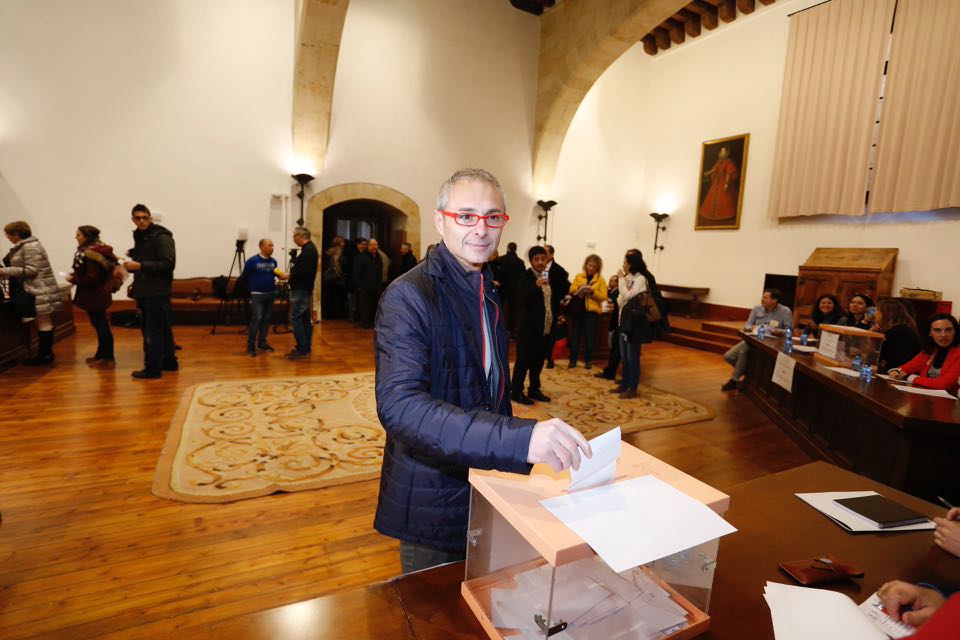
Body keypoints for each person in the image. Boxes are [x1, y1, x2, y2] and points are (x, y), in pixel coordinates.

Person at [373, 168, 591, 574]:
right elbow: (401, 408)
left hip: (486, 483)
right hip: (435, 497)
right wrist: (520, 441)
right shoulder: (409, 294)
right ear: (440, 220)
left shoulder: (486, 288)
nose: (481, 229)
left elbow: (486, 391)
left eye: (493, 217)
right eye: (467, 215)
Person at [125, 204, 178, 379]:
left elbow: (168, 264)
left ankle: (152, 369)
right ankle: (169, 362)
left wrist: (140, 265)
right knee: (162, 329)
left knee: (152, 332)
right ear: (133, 219)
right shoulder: (142, 237)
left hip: (156, 291)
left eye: (144, 217)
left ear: (150, 218)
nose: (141, 221)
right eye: (137, 218)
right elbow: (150, 258)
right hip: (147, 289)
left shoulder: (160, 237)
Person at [1, 221, 64, 365]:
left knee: (43, 321)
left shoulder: (30, 247)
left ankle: (45, 355)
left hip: (38, 289)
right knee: (42, 321)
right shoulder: (27, 245)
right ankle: (45, 354)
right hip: (37, 288)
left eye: (8, 234)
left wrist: (4, 271)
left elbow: (31, 270)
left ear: (17, 234)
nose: (7, 237)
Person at [721, 288, 792, 391]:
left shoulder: (785, 311)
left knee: (743, 351)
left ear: (775, 300)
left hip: (772, 343)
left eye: (765, 297)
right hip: (754, 340)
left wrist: (780, 331)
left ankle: (734, 380)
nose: (762, 299)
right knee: (728, 356)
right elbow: (747, 325)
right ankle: (749, 373)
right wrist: (751, 327)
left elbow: (790, 330)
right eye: (763, 297)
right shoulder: (756, 309)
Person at [67, 225, 117, 366]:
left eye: (79, 235)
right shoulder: (95, 249)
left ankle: (107, 358)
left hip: (96, 294)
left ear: (87, 237)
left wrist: (74, 279)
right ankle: (101, 355)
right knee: (99, 325)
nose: (76, 237)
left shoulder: (90, 253)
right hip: (98, 293)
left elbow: (92, 278)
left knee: (101, 326)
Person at [511, 245, 555, 405]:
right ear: (530, 261)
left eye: (543, 258)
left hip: (544, 327)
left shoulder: (548, 276)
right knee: (523, 361)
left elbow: (549, 301)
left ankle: (534, 389)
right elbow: (521, 299)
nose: (540, 262)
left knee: (538, 361)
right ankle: (516, 391)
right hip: (528, 328)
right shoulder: (525, 277)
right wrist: (534, 287)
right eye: (536, 259)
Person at [888, 314, 960, 394]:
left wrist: (909, 377)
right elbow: (904, 369)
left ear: (955, 331)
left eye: (948, 330)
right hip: (926, 398)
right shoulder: (929, 351)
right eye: (937, 330)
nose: (943, 335)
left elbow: (943, 384)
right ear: (930, 333)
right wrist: (896, 371)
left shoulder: (958, 353)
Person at [614, 252, 651, 398]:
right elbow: (620, 299)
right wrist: (624, 287)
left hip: (634, 323)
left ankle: (633, 387)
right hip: (623, 320)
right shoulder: (628, 279)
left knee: (632, 357)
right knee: (624, 356)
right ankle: (624, 384)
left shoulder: (640, 279)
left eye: (625, 262)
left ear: (631, 264)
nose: (623, 265)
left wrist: (621, 281)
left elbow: (628, 296)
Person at [567, 254, 608, 370]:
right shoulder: (579, 276)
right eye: (589, 265)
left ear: (597, 268)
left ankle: (588, 361)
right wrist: (580, 288)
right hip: (578, 310)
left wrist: (592, 291)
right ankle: (572, 360)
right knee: (575, 336)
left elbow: (604, 297)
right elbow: (571, 290)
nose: (591, 268)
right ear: (585, 265)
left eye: (594, 266)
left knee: (589, 338)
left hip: (592, 313)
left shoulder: (600, 280)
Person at [283, 226, 318, 359]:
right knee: (303, 319)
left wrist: (290, 276)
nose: (293, 239)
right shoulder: (309, 249)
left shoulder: (308, 250)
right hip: (304, 288)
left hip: (302, 289)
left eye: (294, 236)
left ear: (300, 236)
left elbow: (305, 271)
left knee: (296, 317)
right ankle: (305, 347)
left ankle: (302, 347)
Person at [240, 238, 278, 356]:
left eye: (272, 245)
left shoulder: (274, 262)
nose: (272, 247)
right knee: (257, 318)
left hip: (270, 294)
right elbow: (245, 277)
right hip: (257, 294)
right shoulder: (252, 261)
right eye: (269, 245)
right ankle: (250, 346)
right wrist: (249, 292)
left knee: (266, 320)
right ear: (261, 247)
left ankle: (262, 343)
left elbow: (274, 274)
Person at [872, 298, 921, 374]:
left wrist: (874, 338)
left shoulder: (896, 333)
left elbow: (876, 357)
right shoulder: (903, 329)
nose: (874, 314)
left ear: (885, 314)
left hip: (898, 374)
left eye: (877, 310)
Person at [543, 244, 569, 368]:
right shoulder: (538, 268)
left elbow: (564, 288)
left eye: (545, 253)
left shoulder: (559, 270)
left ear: (552, 255)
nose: (542, 256)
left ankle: (549, 358)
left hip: (553, 306)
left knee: (551, 333)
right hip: (539, 306)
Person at [699, 146, 739, 221]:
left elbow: (729, 173)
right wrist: (708, 172)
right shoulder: (719, 162)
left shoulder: (729, 162)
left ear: (727, 153)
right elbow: (714, 169)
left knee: (726, 198)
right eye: (721, 152)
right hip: (717, 182)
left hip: (724, 181)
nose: (722, 153)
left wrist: (726, 183)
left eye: (723, 152)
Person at [496, 241, 525, 337]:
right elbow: (523, 277)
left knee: (503, 312)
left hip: (503, 290)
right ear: (515, 249)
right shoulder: (520, 262)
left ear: (507, 248)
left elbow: (498, 275)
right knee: (514, 312)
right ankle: (513, 331)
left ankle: (504, 331)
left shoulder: (501, 260)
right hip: (516, 291)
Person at [354, 238, 384, 329]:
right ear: (368, 246)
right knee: (365, 306)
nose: (376, 247)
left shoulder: (378, 256)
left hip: (376, 286)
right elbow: (356, 271)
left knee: (374, 305)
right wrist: (359, 285)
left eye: (377, 245)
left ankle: (373, 322)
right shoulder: (361, 257)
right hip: (365, 286)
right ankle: (365, 323)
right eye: (373, 245)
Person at [596, 274, 621, 381]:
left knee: (615, 349)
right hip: (614, 324)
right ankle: (610, 371)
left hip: (617, 323)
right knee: (613, 348)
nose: (610, 283)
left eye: (613, 281)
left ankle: (611, 372)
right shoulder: (609, 291)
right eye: (610, 280)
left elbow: (615, 305)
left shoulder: (618, 292)